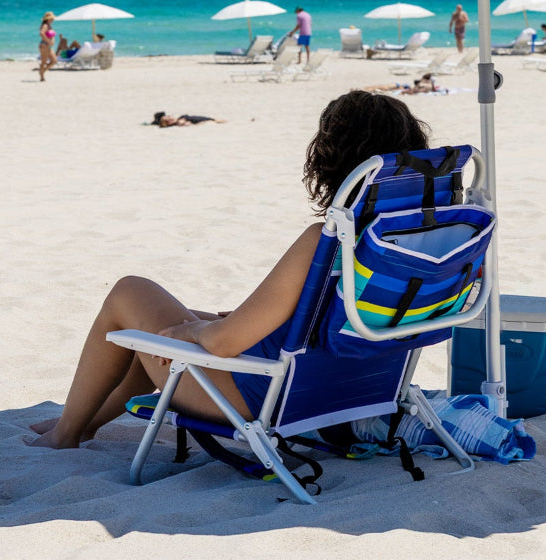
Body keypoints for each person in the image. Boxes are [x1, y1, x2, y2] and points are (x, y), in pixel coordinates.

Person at [30, 91, 431, 449]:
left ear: (333, 158)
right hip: (353, 389)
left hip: (262, 398)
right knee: (164, 325)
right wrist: (209, 324)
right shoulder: (422, 239)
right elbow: (338, 318)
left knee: (130, 293)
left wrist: (189, 331)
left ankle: (66, 434)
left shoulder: (328, 239)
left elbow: (223, 346)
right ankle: (84, 423)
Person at [38, 11, 57, 81]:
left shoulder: (49, 25)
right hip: (44, 45)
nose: (52, 20)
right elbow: (41, 33)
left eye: (53, 19)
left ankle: (42, 72)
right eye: (51, 19)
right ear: (47, 19)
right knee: (44, 62)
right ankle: (42, 76)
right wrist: (48, 41)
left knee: (54, 60)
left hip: (48, 46)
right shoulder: (45, 25)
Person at [152, 112, 227, 127]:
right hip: (208, 121)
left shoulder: (180, 119)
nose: (170, 117)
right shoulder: (180, 122)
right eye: (168, 118)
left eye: (169, 116)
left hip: (209, 120)